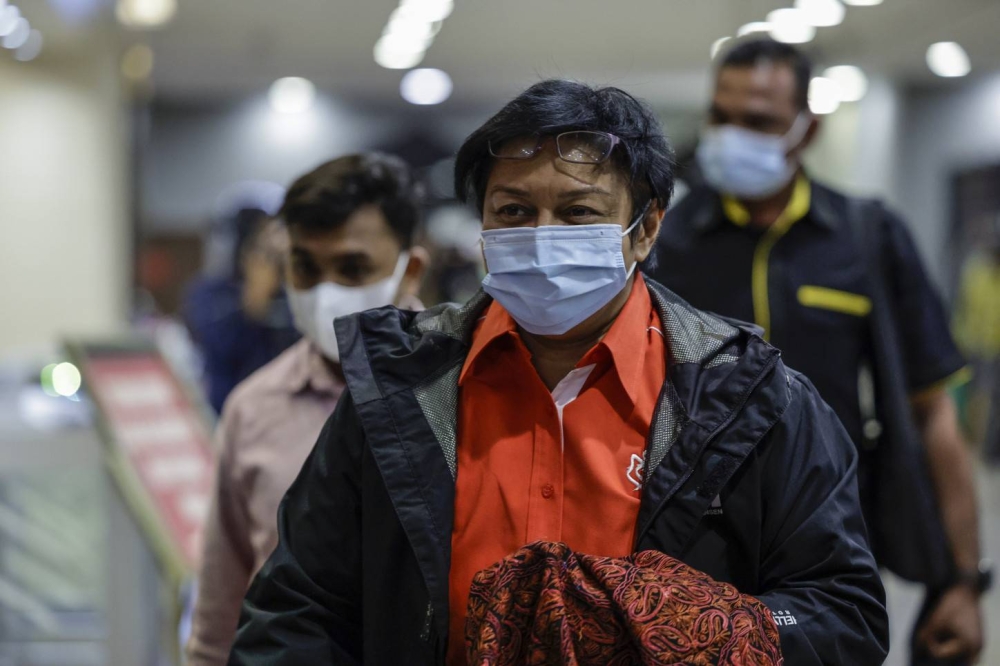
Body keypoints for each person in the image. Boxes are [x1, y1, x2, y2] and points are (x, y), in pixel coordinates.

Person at [228, 80, 888, 665]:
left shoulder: (754, 400)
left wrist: (710, 628)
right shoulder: (400, 391)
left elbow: (842, 614)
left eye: (577, 213)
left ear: (645, 229)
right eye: (513, 212)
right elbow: (298, 609)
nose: (542, 236)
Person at [648, 38, 989, 665]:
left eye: (760, 122)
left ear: (808, 128)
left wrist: (962, 582)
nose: (733, 136)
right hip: (692, 547)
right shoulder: (668, 242)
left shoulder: (867, 236)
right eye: (722, 117)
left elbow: (932, 412)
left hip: (833, 545)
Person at [184, 153, 427, 666]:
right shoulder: (254, 408)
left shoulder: (467, 388)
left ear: (412, 269)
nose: (325, 292)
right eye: (306, 268)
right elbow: (220, 617)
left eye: (353, 268)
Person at [183, 206, 301, 413]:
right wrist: (255, 299)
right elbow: (220, 348)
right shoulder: (211, 292)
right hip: (226, 411)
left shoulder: (289, 296)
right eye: (262, 249)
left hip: (282, 412)